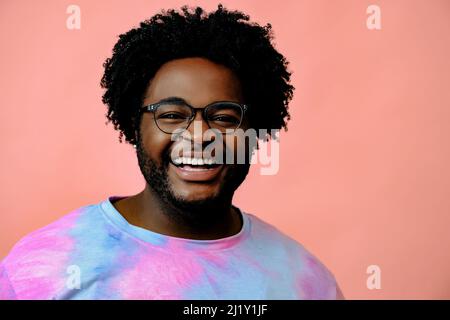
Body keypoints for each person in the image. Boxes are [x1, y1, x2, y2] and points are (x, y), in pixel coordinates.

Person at [0, 4, 344, 300]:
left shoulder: (305, 282)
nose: (199, 136)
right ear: (134, 126)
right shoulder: (41, 270)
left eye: (224, 117)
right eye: (171, 115)